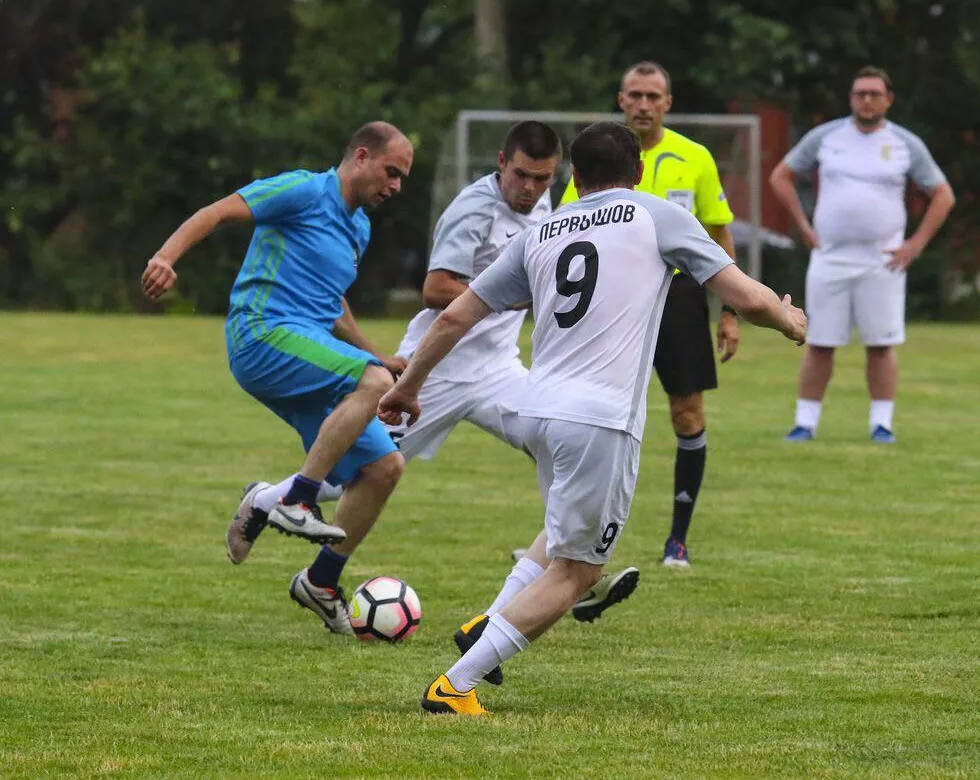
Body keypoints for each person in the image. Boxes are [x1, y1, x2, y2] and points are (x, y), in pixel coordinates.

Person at [378, 121, 807, 715]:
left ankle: (489, 622)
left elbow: (453, 317)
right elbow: (749, 298)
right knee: (578, 570)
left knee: (558, 537)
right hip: (599, 419)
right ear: (639, 172)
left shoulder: (541, 231)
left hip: (535, 409)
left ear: (574, 177)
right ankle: (456, 685)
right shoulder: (657, 215)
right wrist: (788, 320)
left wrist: (407, 386)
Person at [231, 122, 639, 634]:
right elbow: (436, 288)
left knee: (564, 448)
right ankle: (268, 499)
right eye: (521, 175)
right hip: (435, 372)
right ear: (501, 163)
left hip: (499, 372)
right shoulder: (474, 208)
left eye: (542, 178)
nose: (531, 188)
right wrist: (516, 296)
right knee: (362, 473)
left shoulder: (546, 208)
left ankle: (568, 569)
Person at [142, 121, 414, 626]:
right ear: (361, 156)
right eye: (391, 172)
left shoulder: (359, 227)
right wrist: (165, 257)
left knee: (385, 468)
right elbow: (216, 212)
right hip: (261, 333)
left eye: (401, 178)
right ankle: (296, 500)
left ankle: (320, 581)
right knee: (373, 383)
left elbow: (330, 301)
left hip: (306, 350)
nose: (396, 186)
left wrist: (375, 353)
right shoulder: (304, 191)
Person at [558, 61, 739, 568]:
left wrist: (729, 311)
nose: (643, 104)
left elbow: (719, 232)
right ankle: (566, 535)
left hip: (679, 296)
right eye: (634, 95)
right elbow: (567, 224)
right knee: (589, 411)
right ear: (621, 100)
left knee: (687, 413)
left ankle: (677, 540)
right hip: (614, 295)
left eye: (652, 96)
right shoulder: (598, 154)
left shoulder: (694, 157)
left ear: (668, 103)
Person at [769, 66, 955, 443]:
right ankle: (805, 423)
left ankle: (881, 424)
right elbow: (780, 176)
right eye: (859, 93)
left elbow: (943, 194)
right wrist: (803, 226)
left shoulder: (905, 143)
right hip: (830, 257)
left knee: (881, 344)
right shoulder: (826, 137)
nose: (866, 100)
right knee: (819, 342)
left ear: (889, 99)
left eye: (874, 94)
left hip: (883, 261)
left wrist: (915, 244)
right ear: (851, 98)